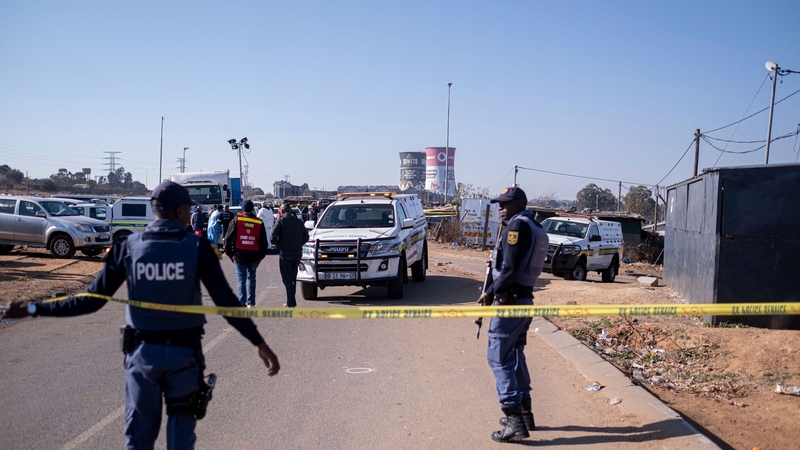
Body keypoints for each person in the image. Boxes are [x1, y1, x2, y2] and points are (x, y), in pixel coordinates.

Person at [1, 181, 280, 450]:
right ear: (178, 211)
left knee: (138, 439)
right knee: (181, 436)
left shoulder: (128, 247)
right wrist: (259, 343)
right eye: (187, 208)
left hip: (142, 357)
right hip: (184, 357)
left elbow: (90, 301)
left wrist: (34, 308)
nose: (190, 214)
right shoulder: (197, 249)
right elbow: (227, 304)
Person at [476, 186, 548, 443]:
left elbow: (510, 268)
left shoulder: (517, 227)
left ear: (519, 203)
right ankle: (525, 413)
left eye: (505, 204)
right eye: (498, 204)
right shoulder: (536, 226)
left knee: (498, 358)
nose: (500, 208)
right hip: (524, 300)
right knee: (514, 353)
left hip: (510, 301)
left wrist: (490, 292)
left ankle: (515, 420)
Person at [224, 200, 269, 307]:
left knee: (241, 280)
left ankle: (241, 303)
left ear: (242, 209)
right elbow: (264, 242)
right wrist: (260, 257)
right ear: (253, 209)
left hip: (239, 255)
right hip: (253, 255)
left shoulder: (236, 220)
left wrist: (230, 254)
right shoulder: (258, 222)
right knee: (251, 279)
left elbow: (227, 239)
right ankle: (251, 303)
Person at [271, 203, 309, 307]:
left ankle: (291, 302)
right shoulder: (298, 222)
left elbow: (272, 235)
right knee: (293, 277)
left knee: (286, 278)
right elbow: (306, 236)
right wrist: (299, 244)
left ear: (282, 211)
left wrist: (278, 244)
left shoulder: (281, 221)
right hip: (297, 252)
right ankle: (290, 300)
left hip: (285, 252)